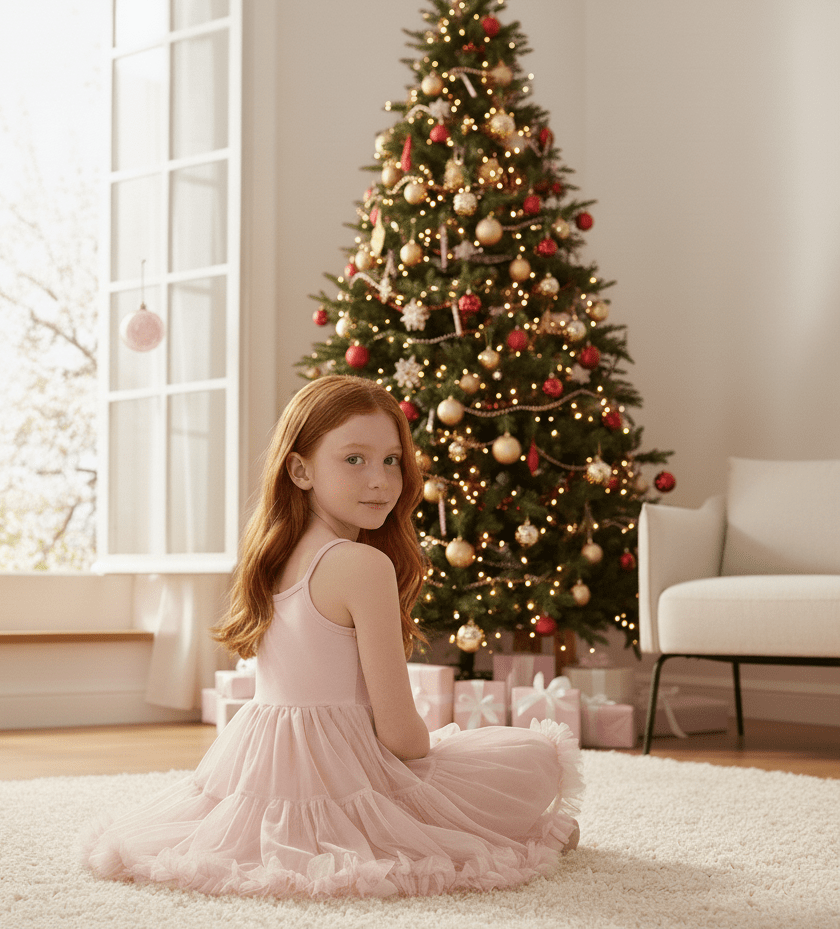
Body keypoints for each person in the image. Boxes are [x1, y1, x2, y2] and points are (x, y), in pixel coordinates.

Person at [82, 375, 582, 897]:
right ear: (299, 470)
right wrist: (434, 752)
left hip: (258, 762)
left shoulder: (274, 557)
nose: (381, 480)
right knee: (530, 756)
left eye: (392, 460)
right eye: (354, 459)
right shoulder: (362, 565)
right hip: (346, 766)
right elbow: (399, 735)